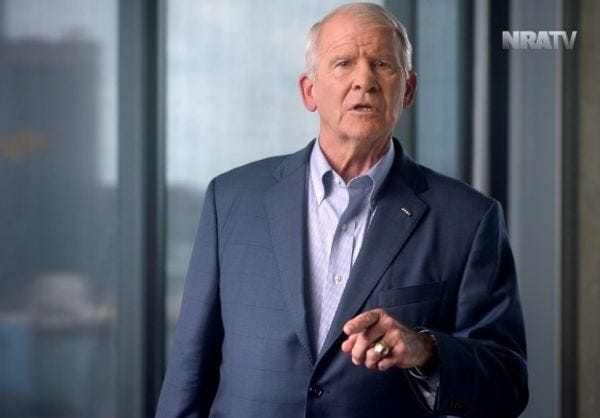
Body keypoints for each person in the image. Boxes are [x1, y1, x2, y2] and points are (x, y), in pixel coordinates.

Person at [155, 3, 528, 417]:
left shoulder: (469, 220)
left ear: (408, 90)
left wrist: (426, 350)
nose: (364, 80)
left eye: (382, 64)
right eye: (343, 63)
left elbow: (508, 384)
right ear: (309, 91)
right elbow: (189, 369)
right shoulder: (230, 199)